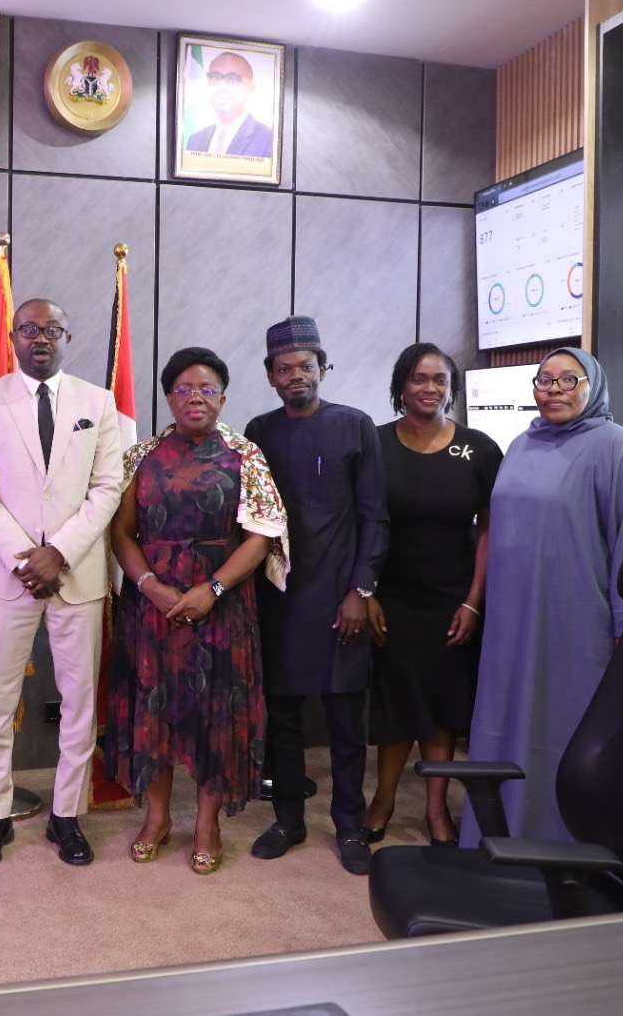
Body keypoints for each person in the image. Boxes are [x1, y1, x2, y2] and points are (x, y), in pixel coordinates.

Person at [463, 347, 623, 845]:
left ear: (593, 385)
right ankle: (497, 839)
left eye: (568, 380)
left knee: (563, 734)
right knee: (502, 726)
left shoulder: (621, 450)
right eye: (544, 379)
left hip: (575, 627)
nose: (553, 389)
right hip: (511, 624)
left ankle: (559, 849)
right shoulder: (521, 445)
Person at [105, 347, 289, 874]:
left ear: (223, 398)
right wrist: (150, 586)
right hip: (152, 604)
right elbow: (122, 532)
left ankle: (208, 824)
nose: (195, 398)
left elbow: (261, 536)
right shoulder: (140, 456)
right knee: (155, 708)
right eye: (184, 389)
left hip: (222, 605)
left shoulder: (245, 455)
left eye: (207, 389)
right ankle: (157, 816)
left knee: (215, 711)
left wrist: (213, 587)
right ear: (168, 397)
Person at [0, 298, 125, 868]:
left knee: (79, 703)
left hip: (77, 574)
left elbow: (108, 487)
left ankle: (66, 816)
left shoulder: (97, 402)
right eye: (29, 329)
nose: (40, 339)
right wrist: (26, 559)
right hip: (9, 577)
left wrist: (60, 553)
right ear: (13, 336)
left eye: (51, 330)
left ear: (66, 337)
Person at [244, 316, 388, 875]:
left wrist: (361, 589)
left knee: (346, 721)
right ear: (271, 376)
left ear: (323, 368)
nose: (296, 376)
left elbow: (375, 516)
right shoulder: (259, 431)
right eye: (284, 369)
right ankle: (288, 819)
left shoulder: (355, 426)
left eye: (306, 366)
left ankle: (348, 824)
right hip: (278, 597)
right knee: (281, 719)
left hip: (340, 597)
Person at [360, 344, 501, 849]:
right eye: (419, 378)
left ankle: (437, 809)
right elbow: (359, 524)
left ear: (452, 388)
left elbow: (490, 531)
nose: (430, 388)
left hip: (453, 598)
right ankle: (383, 800)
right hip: (391, 596)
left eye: (440, 379)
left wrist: (473, 602)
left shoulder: (480, 449)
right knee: (396, 701)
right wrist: (365, 591)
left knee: (443, 704)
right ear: (401, 385)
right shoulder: (374, 444)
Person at [184, 50, 273, 158]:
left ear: (250, 90)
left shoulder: (269, 140)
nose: (221, 86)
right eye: (215, 78)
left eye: (233, 80)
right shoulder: (195, 140)